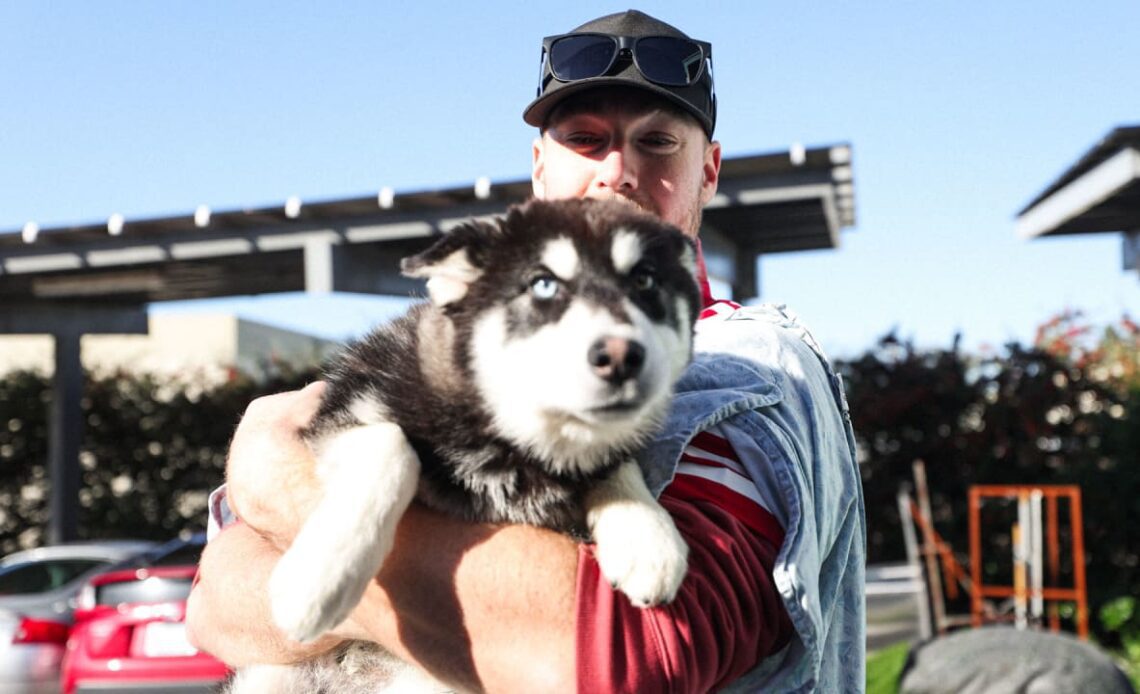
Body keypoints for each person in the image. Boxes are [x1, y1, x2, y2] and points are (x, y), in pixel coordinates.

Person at [186, 9, 866, 692]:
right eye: (585, 139)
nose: (619, 172)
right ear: (541, 168)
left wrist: (284, 481)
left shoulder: (743, 366)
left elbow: (638, 656)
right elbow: (216, 605)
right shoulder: (466, 338)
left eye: (657, 142)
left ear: (709, 172)